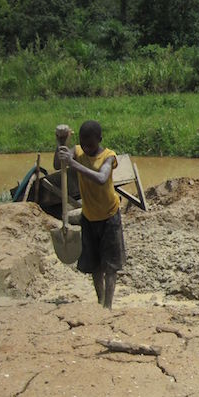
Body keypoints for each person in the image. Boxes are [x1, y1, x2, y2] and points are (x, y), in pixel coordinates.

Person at [54, 120, 125, 310]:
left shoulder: (109, 157)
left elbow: (102, 178)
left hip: (110, 215)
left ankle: (108, 306)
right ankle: (100, 300)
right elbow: (58, 164)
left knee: (110, 265)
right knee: (95, 265)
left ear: (100, 140)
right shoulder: (77, 152)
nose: (86, 148)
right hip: (89, 216)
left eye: (91, 145)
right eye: (83, 144)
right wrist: (61, 142)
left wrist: (74, 165)